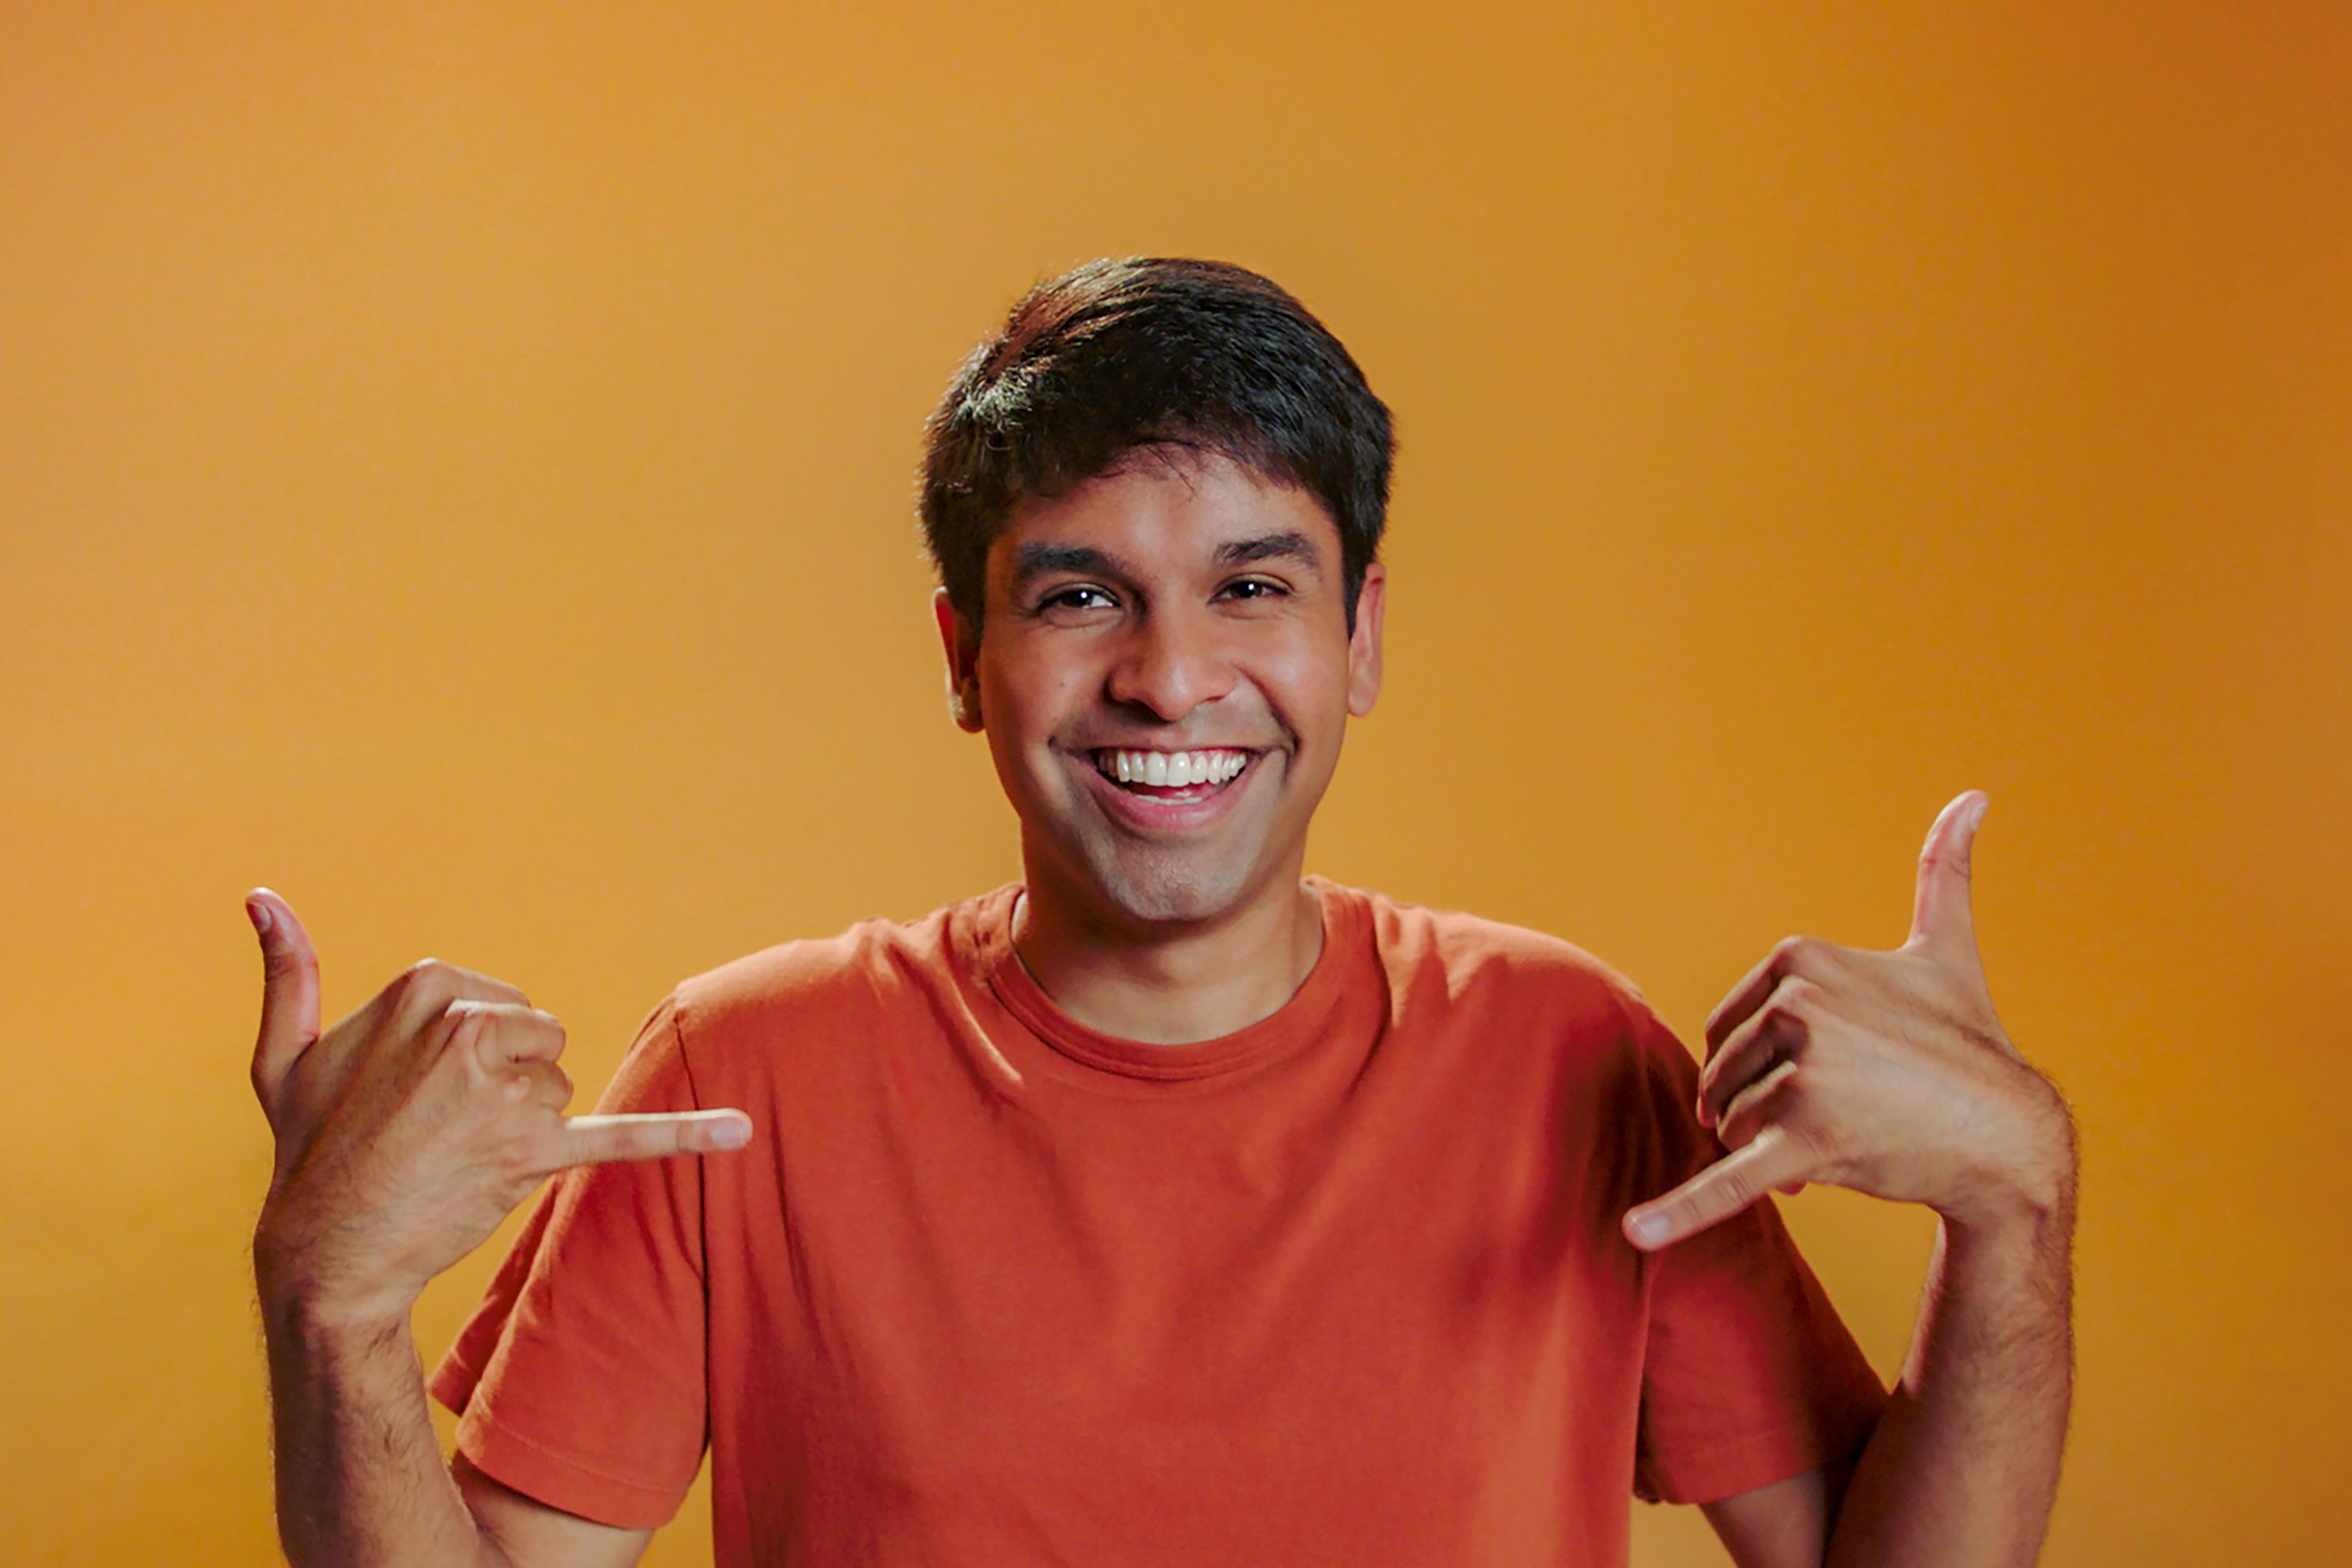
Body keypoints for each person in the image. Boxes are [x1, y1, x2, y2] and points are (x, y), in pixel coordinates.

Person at [246, 258, 2077, 1568]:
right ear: (967, 659)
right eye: (1079, 598)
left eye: (1253, 585)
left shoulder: (1570, 1056)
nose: (1173, 677)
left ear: (1359, 641)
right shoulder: (749, 1073)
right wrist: (331, 1309)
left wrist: (2015, 1211)